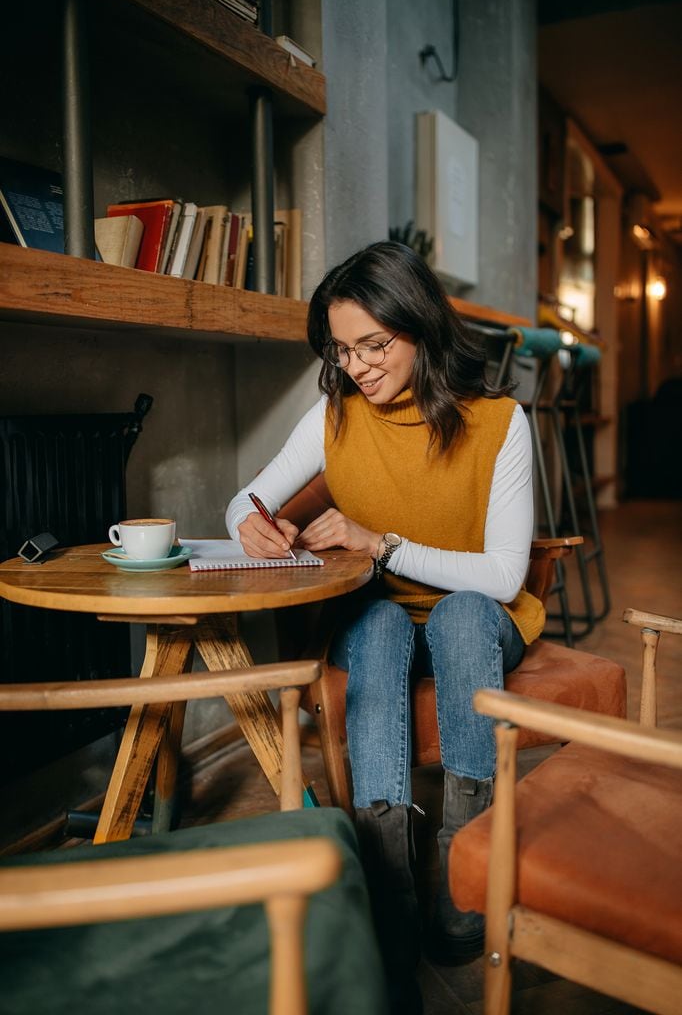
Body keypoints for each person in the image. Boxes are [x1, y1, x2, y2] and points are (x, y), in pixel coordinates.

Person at [226, 241, 543, 1014]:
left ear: (421, 327)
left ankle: (461, 884)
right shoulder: (333, 415)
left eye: (375, 345)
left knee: (466, 616)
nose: (358, 367)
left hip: (481, 617)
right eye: (343, 350)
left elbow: (504, 576)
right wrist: (248, 527)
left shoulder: (499, 423)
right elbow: (246, 499)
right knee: (371, 625)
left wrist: (384, 543)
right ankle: (394, 899)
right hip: (384, 613)